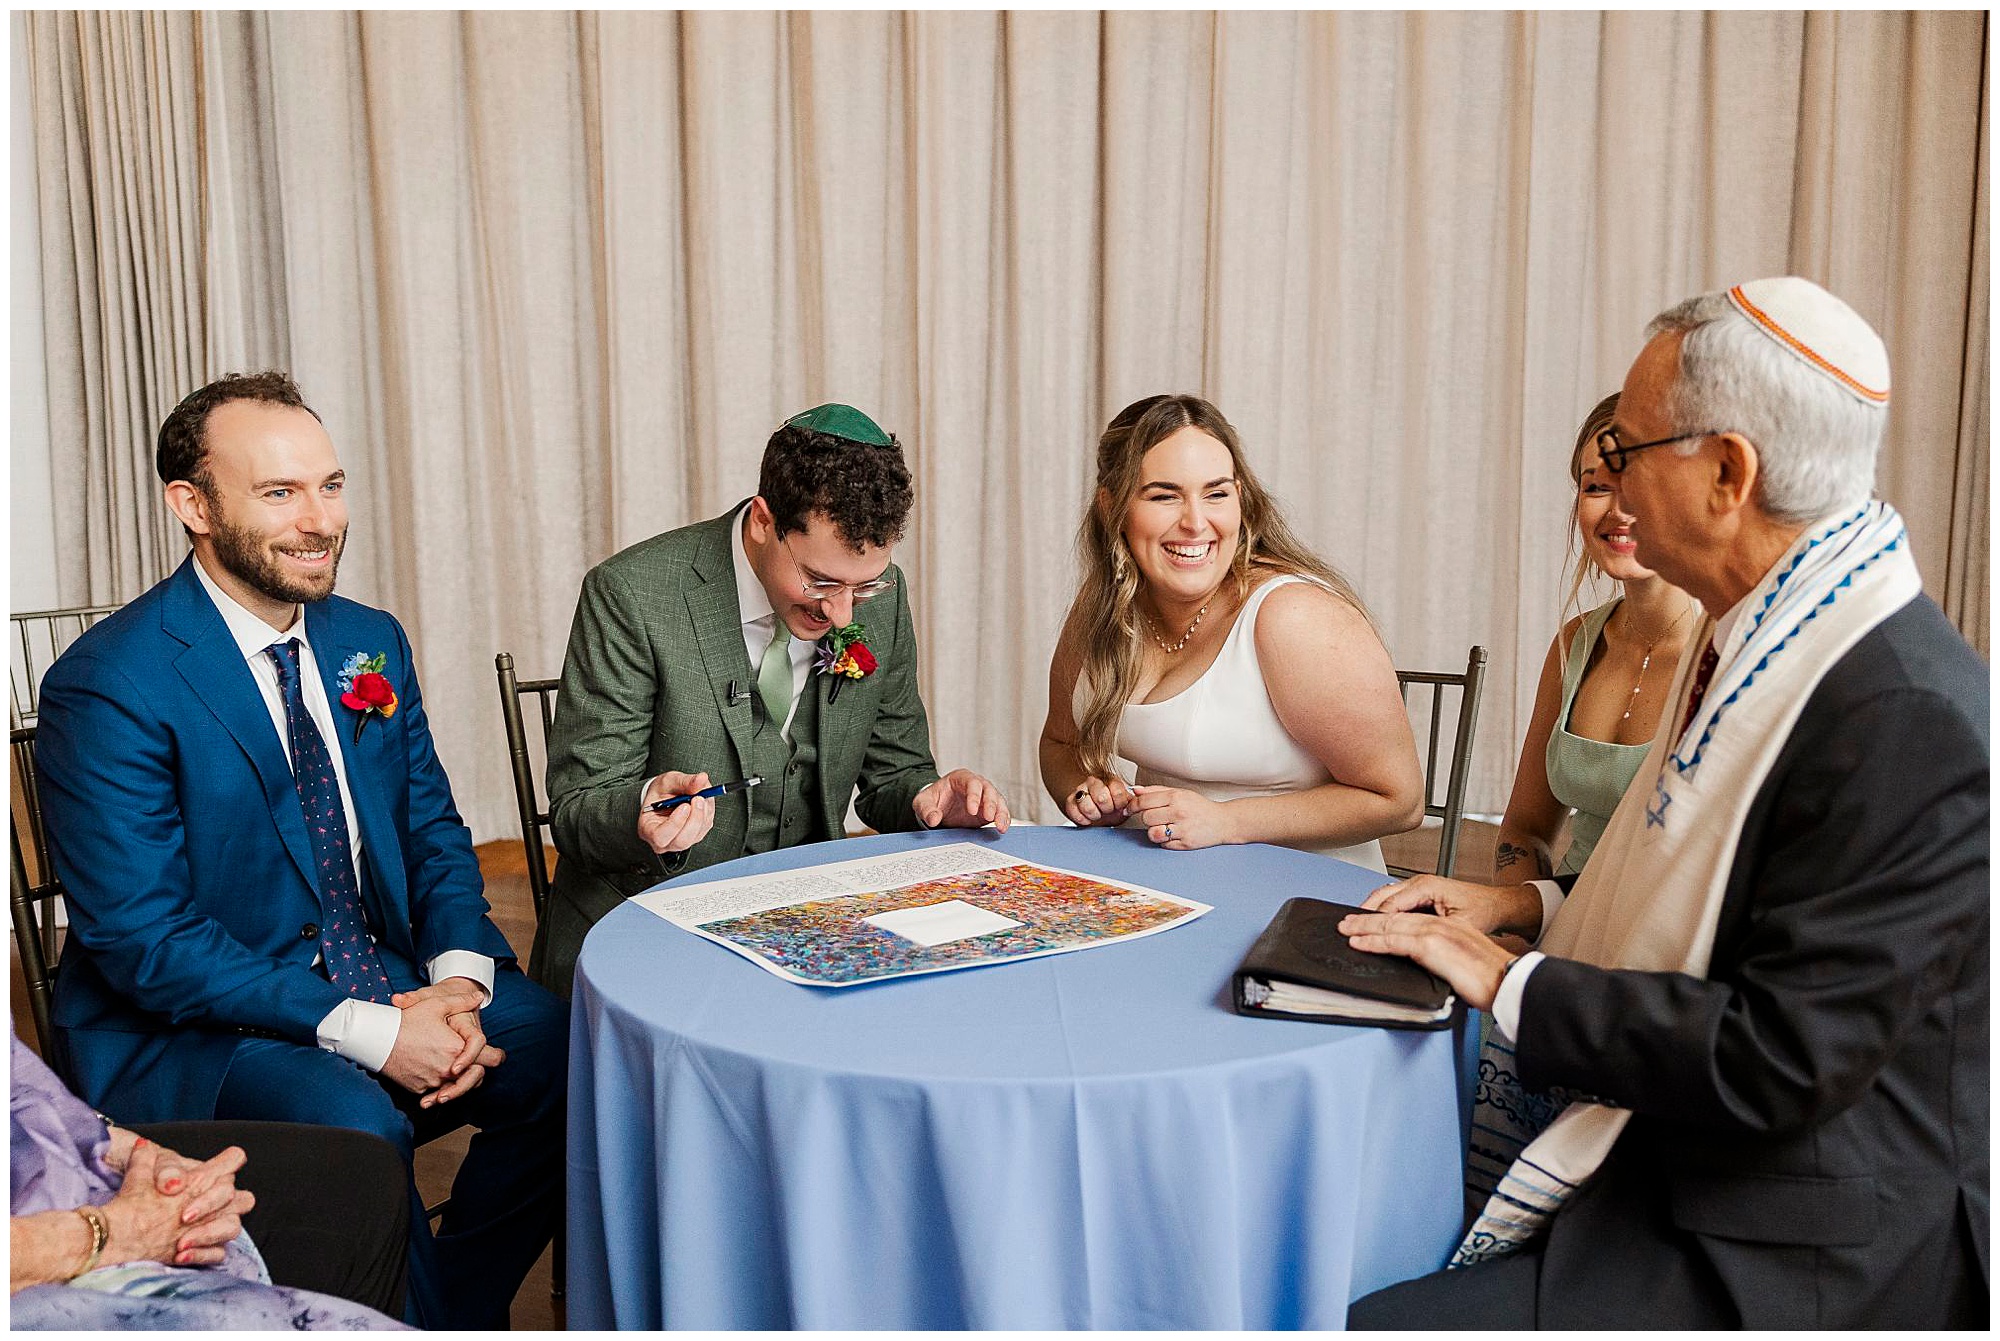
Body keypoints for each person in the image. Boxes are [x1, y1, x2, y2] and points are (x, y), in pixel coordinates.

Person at [1342, 278, 1987, 1327]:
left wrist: (1517, 982)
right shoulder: (1770, 633)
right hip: (1721, 1146)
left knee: (1381, 1319)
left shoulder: (1902, 710)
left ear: (1726, 472)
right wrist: (1532, 911)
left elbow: (1781, 1059)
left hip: (1807, 1229)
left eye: (1628, 452)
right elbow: (1687, 894)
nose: (1610, 490)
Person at [35, 371, 569, 1330]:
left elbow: (434, 830)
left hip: (385, 973)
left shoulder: (368, 640)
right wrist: (373, 1031)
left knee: (568, 1048)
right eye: (279, 492)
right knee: (355, 1124)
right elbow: (147, 942)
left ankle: (458, 1310)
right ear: (192, 505)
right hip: (191, 1030)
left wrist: (456, 983)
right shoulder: (108, 683)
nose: (319, 519)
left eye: (330, 485)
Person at [533, 403, 1012, 997]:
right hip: (648, 924)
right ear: (763, 520)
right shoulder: (633, 594)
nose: (839, 612)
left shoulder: (880, 600)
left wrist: (930, 797)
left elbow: (895, 775)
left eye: (862, 587)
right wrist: (640, 811)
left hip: (812, 930)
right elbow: (579, 814)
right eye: (819, 581)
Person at [1039, 393, 1422, 869]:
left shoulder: (1293, 616)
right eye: (1164, 495)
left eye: (1216, 493)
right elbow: (1060, 742)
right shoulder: (1104, 609)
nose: (1196, 523)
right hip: (1160, 886)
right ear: (1111, 506)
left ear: (1241, 497)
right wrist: (1085, 788)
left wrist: (1227, 821)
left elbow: (1399, 802)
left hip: (1305, 902)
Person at [11, 1028, 406, 1329]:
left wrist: (141, 1154)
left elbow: (24, 1090)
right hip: (35, 1263)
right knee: (356, 1116)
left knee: (363, 1173)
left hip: (66, 1176)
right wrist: (112, 1234)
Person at [1491, 393, 1701, 881]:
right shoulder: (1577, 641)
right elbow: (1523, 829)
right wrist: (1515, 917)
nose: (1620, 511)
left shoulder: (1728, 652)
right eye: (1597, 487)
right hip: (1557, 920)